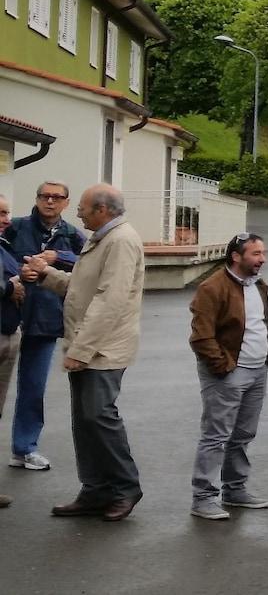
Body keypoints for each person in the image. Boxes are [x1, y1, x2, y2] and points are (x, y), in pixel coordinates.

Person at [21, 184, 145, 520]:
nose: (77, 212)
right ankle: (95, 490)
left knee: (99, 418)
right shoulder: (102, 236)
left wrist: (81, 349)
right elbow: (80, 287)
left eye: (84, 208)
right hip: (89, 345)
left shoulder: (119, 241)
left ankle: (124, 488)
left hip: (102, 350)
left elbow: (110, 301)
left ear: (102, 210)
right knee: (85, 422)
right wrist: (46, 273)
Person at [187, 232, 268, 520]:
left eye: (262, 253)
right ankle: (203, 498)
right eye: (255, 254)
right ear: (236, 256)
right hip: (228, 373)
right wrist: (224, 367)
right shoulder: (211, 288)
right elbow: (202, 337)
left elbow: (258, 325)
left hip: (257, 370)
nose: (262, 259)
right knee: (216, 436)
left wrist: (264, 360)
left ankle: (235, 490)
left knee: (242, 434)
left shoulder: (259, 285)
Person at [4, 180, 86, 472]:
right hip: (9, 315)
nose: (50, 201)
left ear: (66, 202)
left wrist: (59, 256)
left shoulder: (72, 234)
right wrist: (17, 271)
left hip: (45, 320)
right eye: (44, 196)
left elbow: (91, 263)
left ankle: (24, 448)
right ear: (36, 198)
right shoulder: (15, 227)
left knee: (33, 387)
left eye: (57, 197)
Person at [0, 195, 17, 510]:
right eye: (0, 213)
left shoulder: (4, 245)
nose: (6, 218)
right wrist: (10, 286)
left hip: (9, 334)